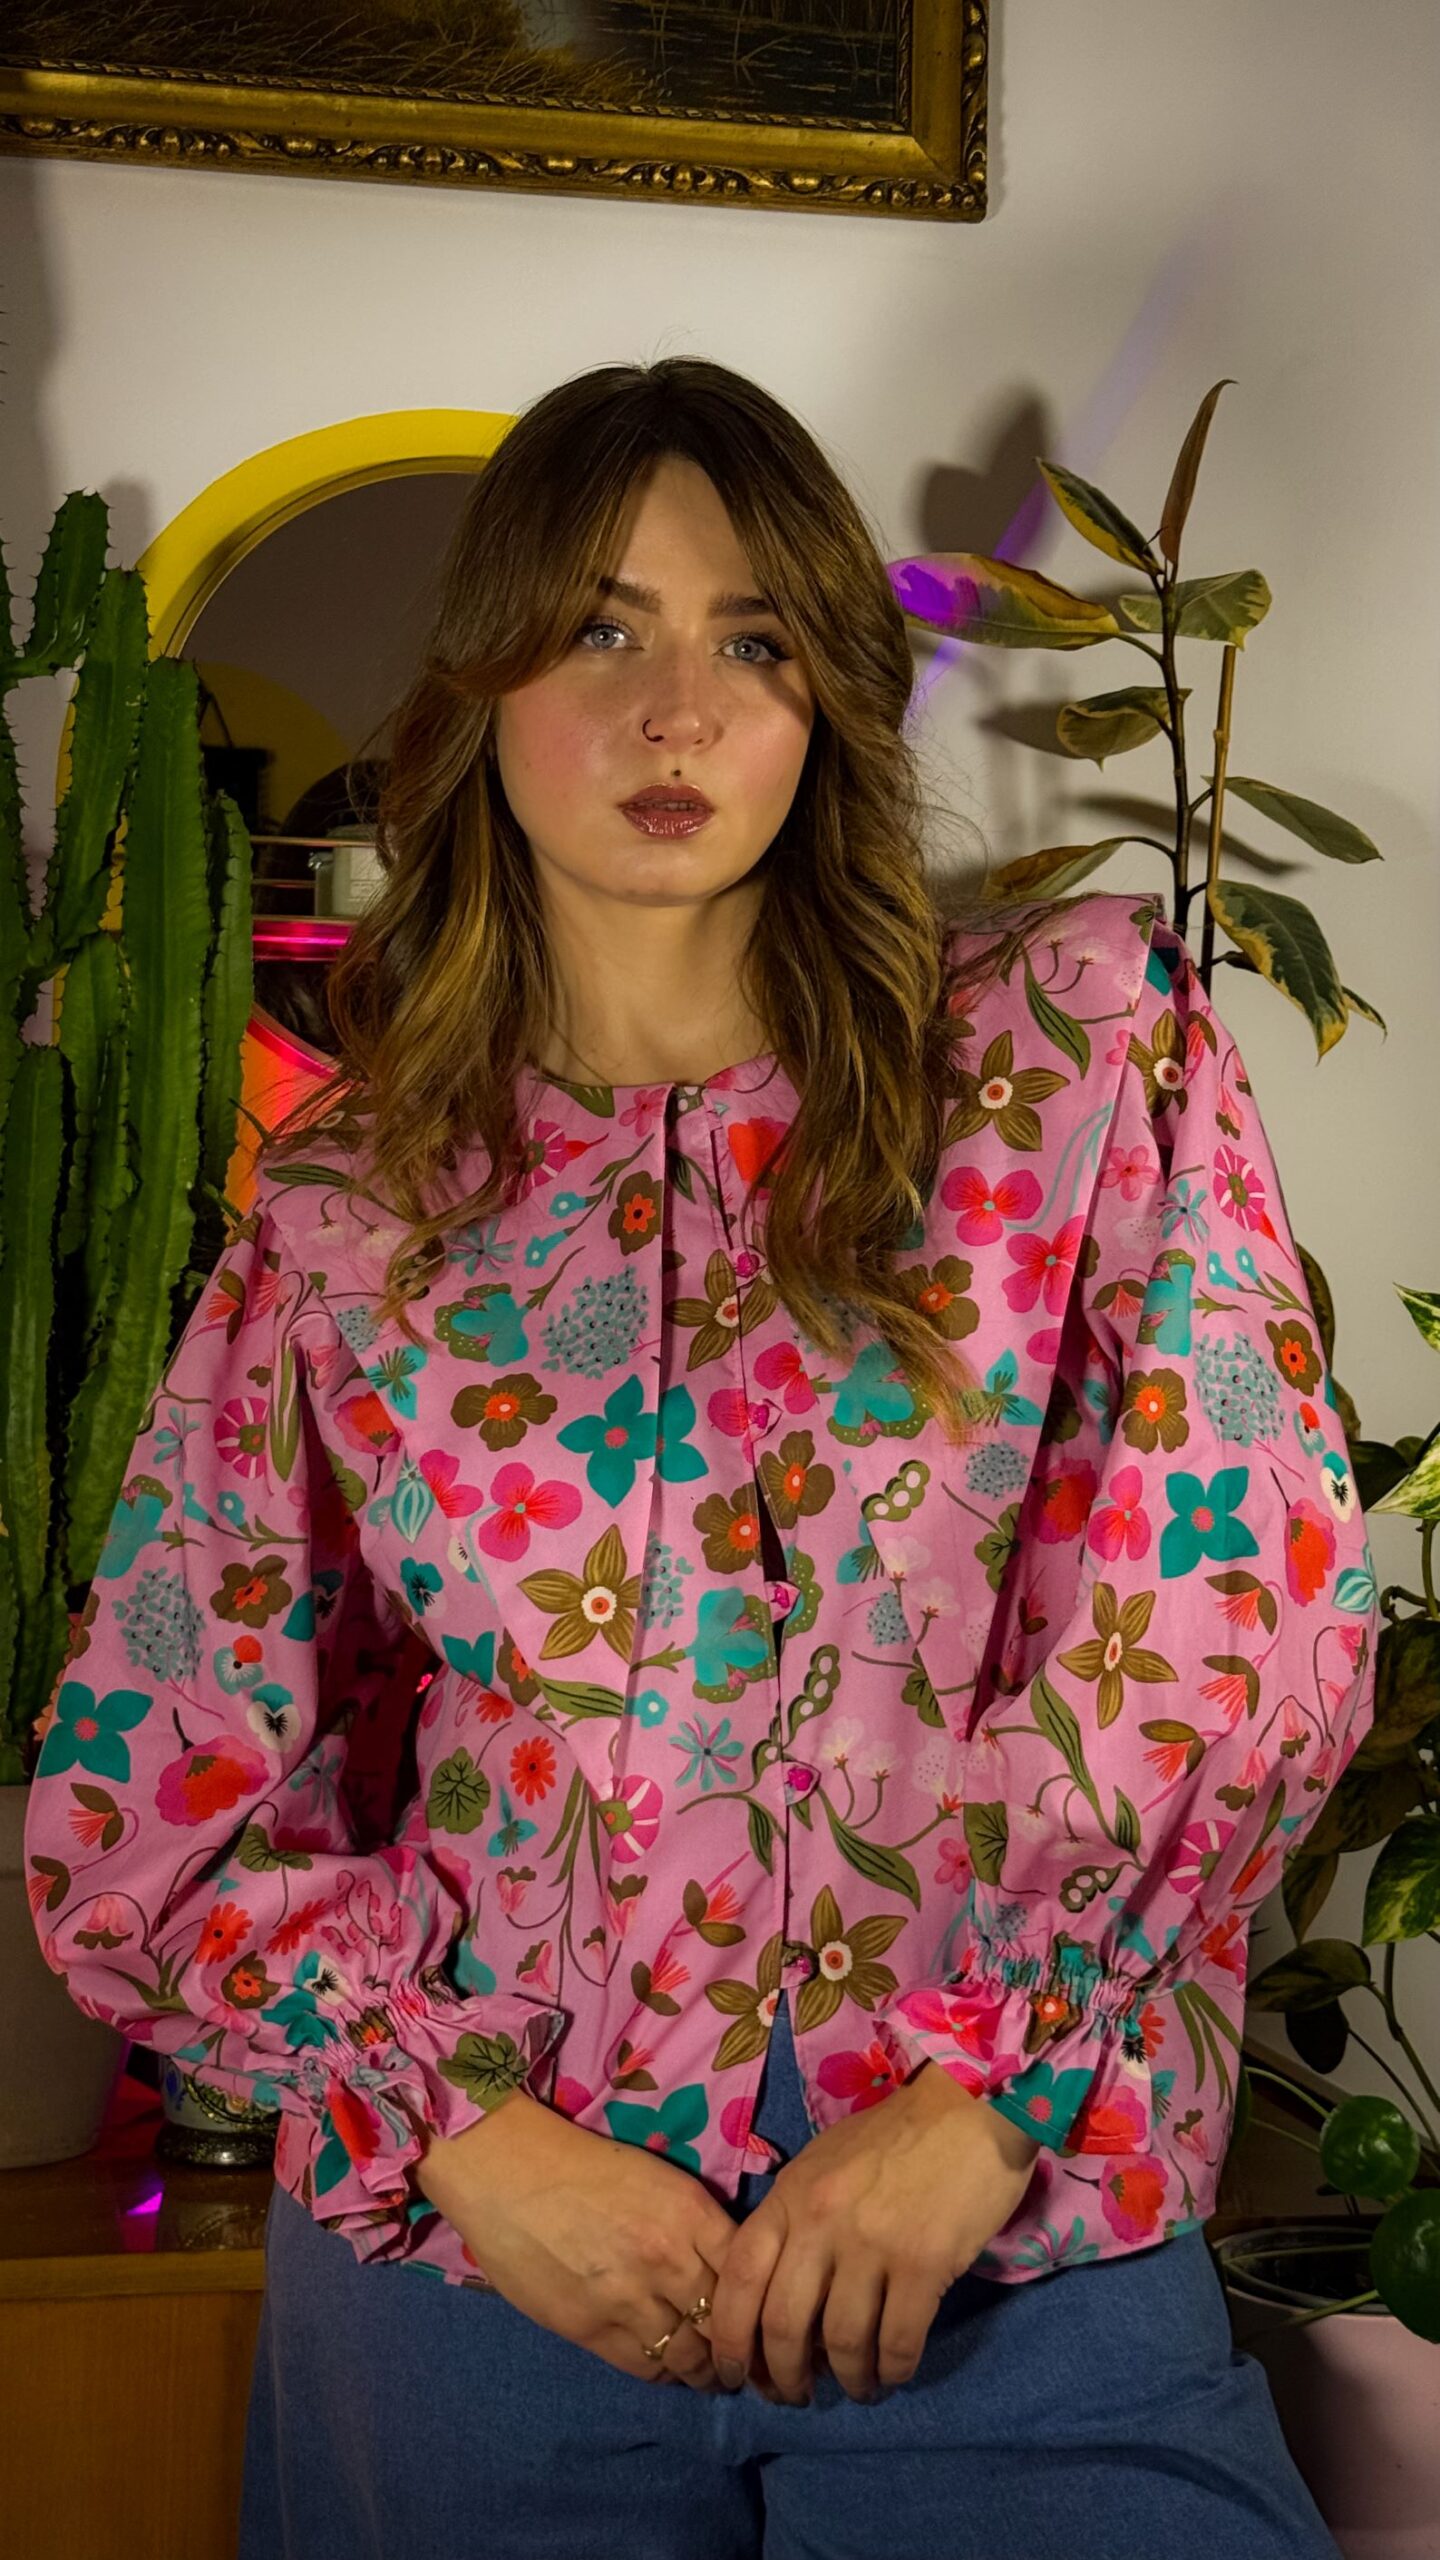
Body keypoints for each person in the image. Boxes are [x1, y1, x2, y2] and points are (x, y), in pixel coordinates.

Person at [24, 358, 1376, 2560]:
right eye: (601, 627)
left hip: (1008, 2253)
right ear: (483, 682)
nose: (678, 710)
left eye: (751, 639)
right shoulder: (351, 1209)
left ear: (824, 694)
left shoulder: (1078, 1053)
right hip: (483, 2281)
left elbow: (1250, 1615)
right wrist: (465, 2136)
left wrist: (986, 2099)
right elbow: (157, 1771)